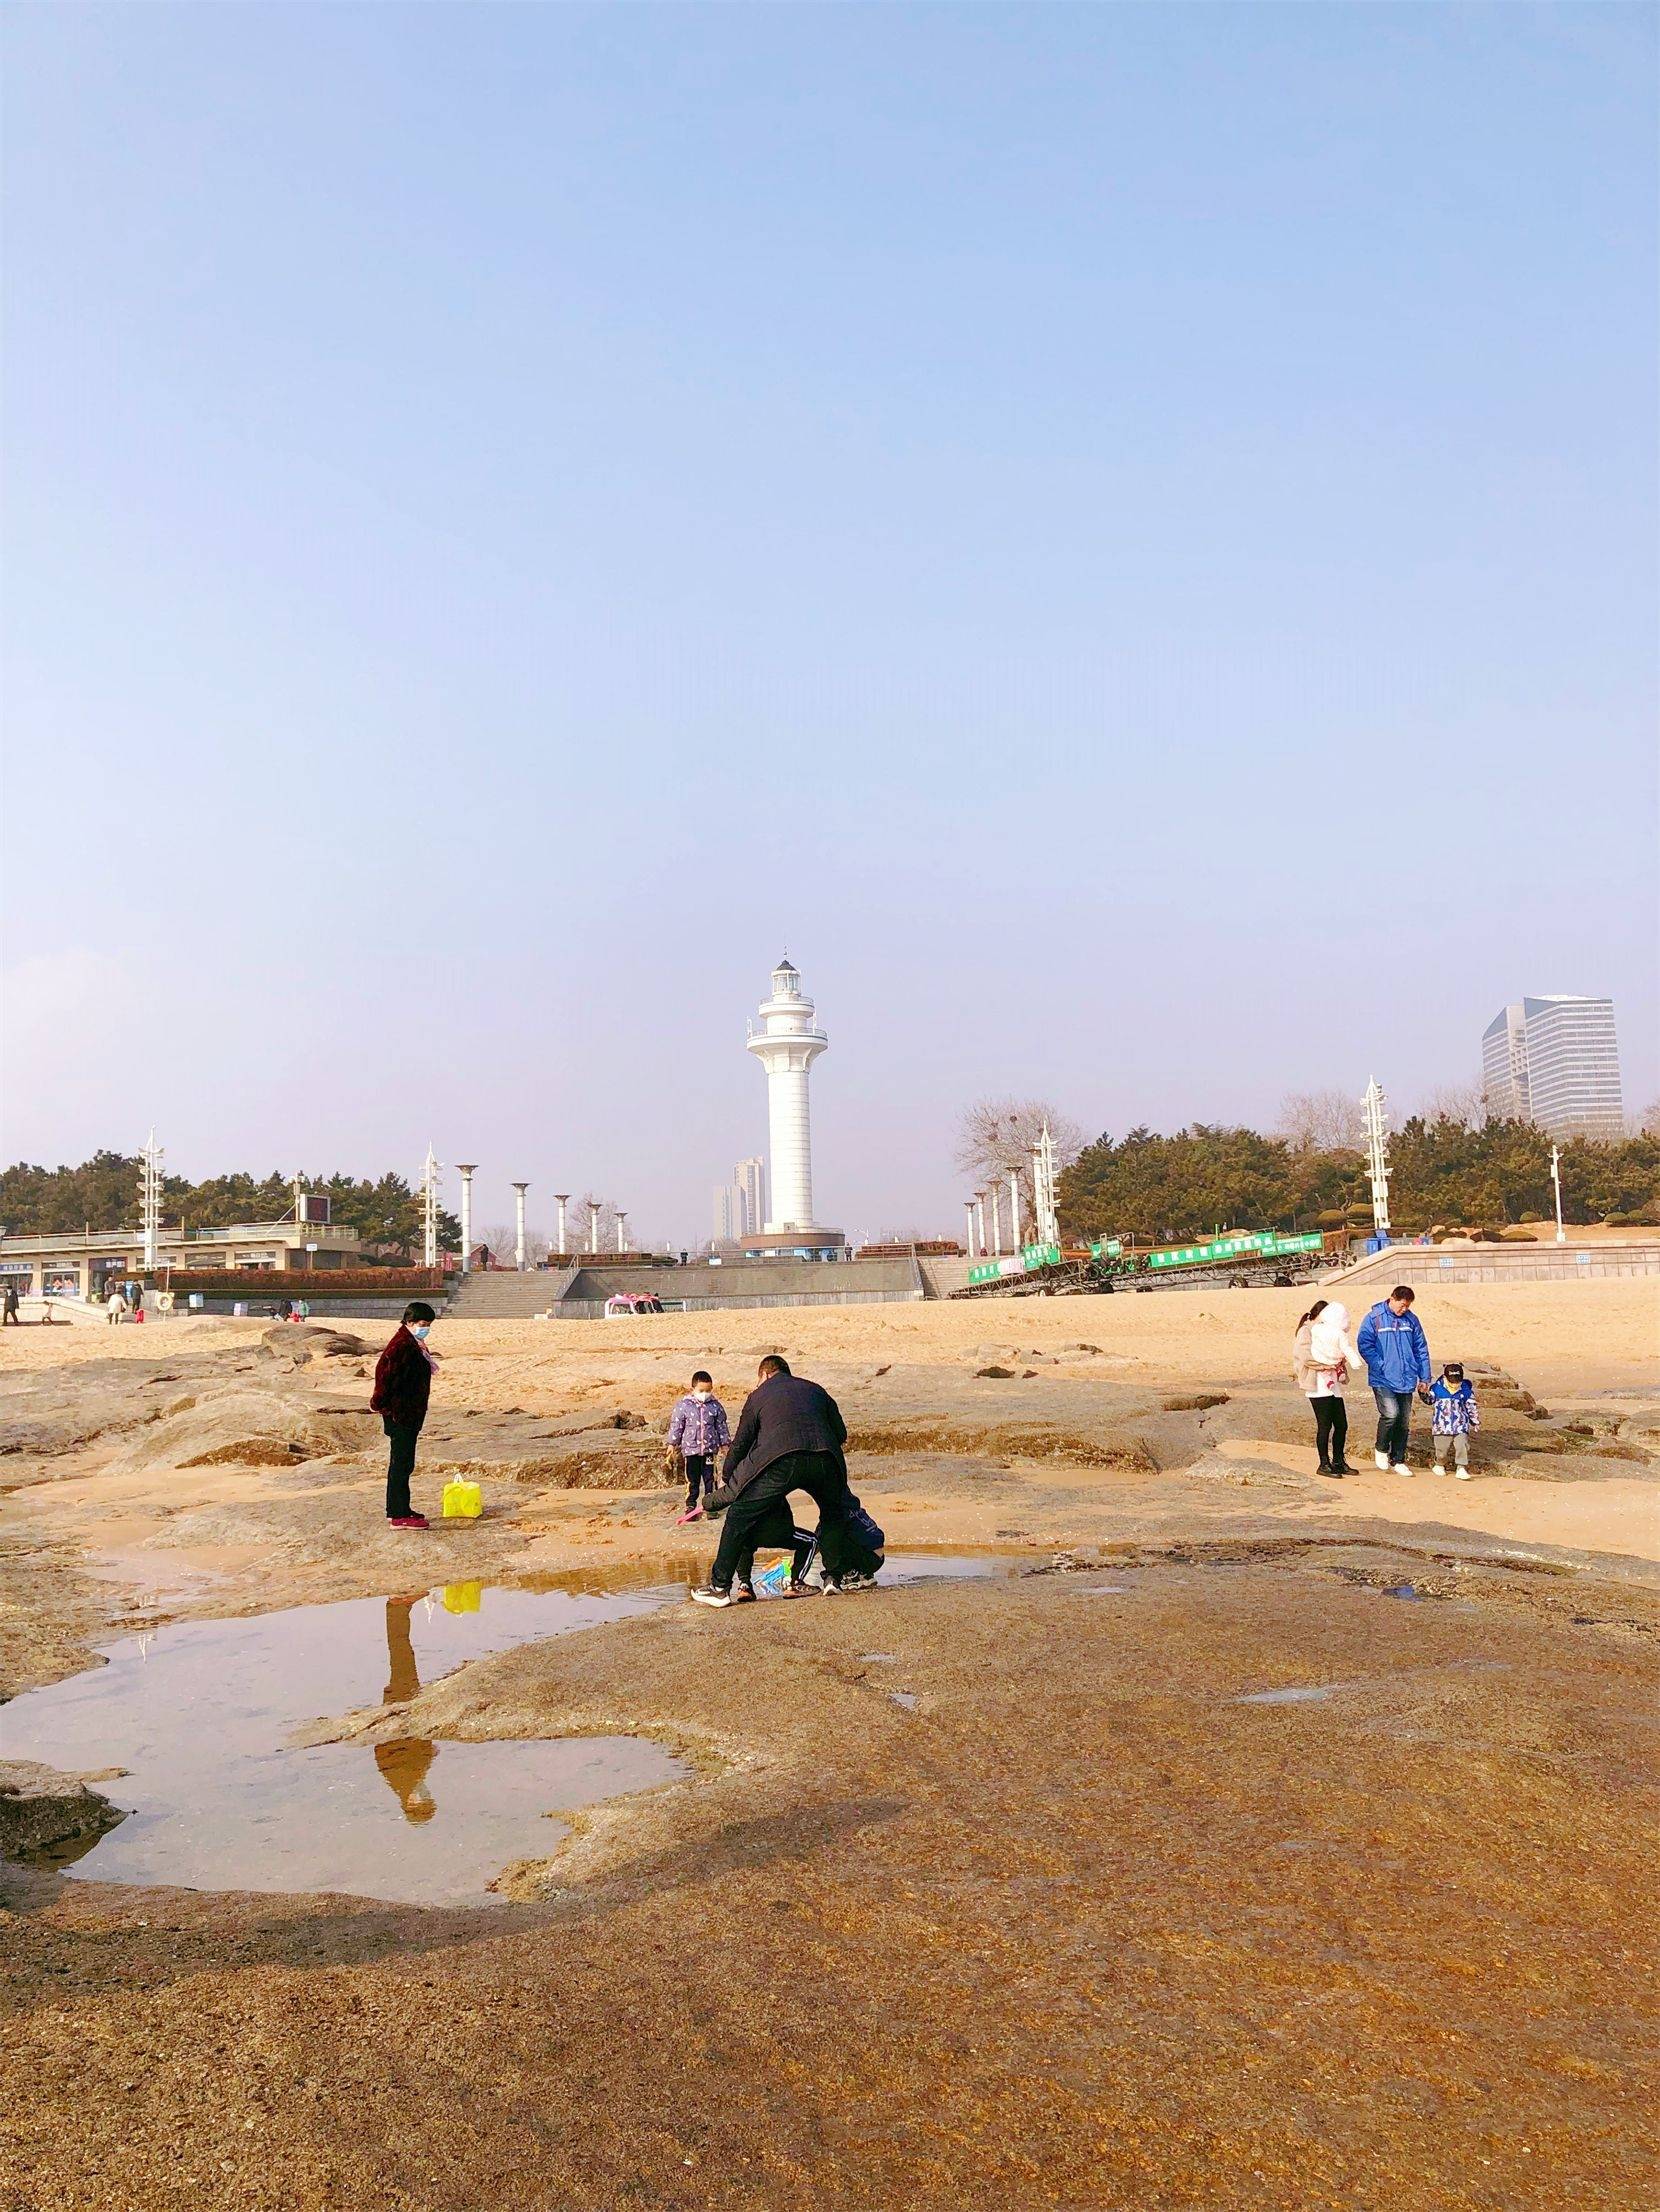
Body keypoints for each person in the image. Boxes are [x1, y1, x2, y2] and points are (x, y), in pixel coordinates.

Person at [690, 1355, 852, 1608]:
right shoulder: (816, 1390)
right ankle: (833, 1579)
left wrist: (729, 1476)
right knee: (833, 1513)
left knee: (739, 1517)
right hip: (826, 1458)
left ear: (765, 1374)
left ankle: (720, 1587)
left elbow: (742, 1443)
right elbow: (841, 1433)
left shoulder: (758, 1395)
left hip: (779, 1460)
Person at [370, 1301, 440, 1529]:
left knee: (403, 1463)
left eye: (428, 1324)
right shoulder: (402, 1346)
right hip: (401, 1413)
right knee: (401, 1464)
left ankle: (400, 1508)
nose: (426, 1327)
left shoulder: (412, 1342)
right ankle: (398, 1514)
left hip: (408, 1412)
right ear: (409, 1322)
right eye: (422, 1324)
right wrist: (381, 1405)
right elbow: (385, 1376)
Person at [1357, 1285, 1432, 1475]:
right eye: (1402, 1305)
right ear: (1393, 1299)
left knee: (1404, 1420)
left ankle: (1398, 1459)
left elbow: (1421, 1348)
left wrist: (1424, 1377)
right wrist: (1379, 1364)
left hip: (1407, 1376)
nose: (1404, 1309)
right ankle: (1381, 1449)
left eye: (1408, 1306)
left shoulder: (1411, 1320)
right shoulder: (1374, 1318)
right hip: (1383, 1378)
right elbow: (1364, 1344)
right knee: (1391, 1414)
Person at [1293, 1297, 1361, 1478]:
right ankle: (1324, 1463)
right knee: (1324, 1425)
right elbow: (1304, 1356)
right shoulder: (1307, 1331)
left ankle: (1338, 1461)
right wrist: (1325, 1365)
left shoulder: (1329, 1331)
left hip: (1333, 1384)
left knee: (1341, 1424)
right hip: (1317, 1384)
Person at [667, 1369, 732, 1522]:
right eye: (701, 1390)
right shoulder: (683, 1406)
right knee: (692, 1479)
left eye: (708, 1390)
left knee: (711, 1479)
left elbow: (721, 1426)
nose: (705, 1394)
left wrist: (725, 1445)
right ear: (693, 1389)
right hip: (690, 1451)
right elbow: (677, 1426)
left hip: (709, 1450)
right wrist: (672, 1444)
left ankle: (711, 1505)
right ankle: (690, 1505)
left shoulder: (715, 1406)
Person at [1430, 1363, 1479, 1479]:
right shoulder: (1437, 1389)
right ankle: (1439, 1464)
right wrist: (1422, 1393)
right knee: (1441, 1449)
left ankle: (1461, 1467)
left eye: (1457, 1382)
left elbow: (1471, 1407)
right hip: (1441, 1426)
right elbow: (1429, 1400)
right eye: (1451, 1382)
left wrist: (1475, 1421)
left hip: (1460, 1425)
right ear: (1445, 1377)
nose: (1454, 1384)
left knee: (1462, 1445)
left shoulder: (1466, 1391)